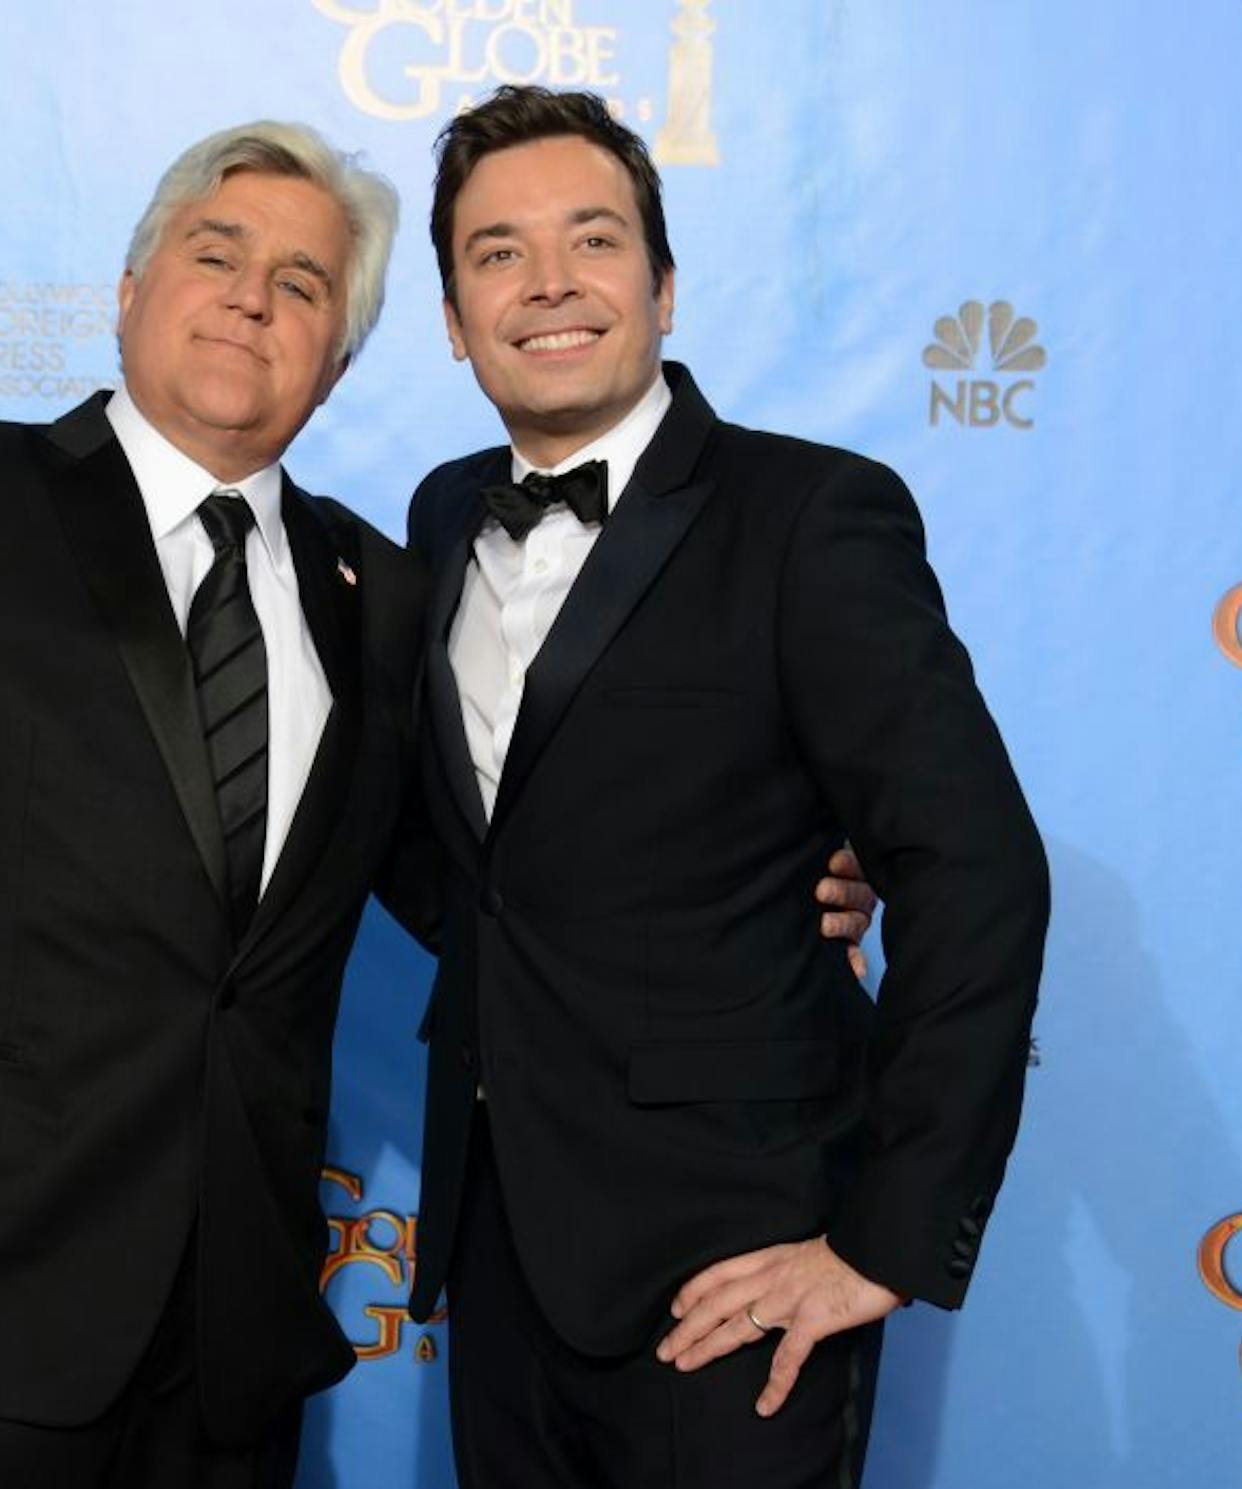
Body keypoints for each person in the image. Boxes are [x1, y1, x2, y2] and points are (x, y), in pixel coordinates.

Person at [0, 117, 875, 1488]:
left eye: (303, 283)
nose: (253, 297)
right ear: (130, 290)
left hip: (226, 1358)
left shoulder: (383, 593)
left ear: (339, 361)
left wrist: (762, 874)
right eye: (217, 254)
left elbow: (491, 894)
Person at [401, 87, 1051, 1488]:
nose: (550, 282)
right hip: (498, 1257)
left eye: (594, 239)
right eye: (499, 252)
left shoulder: (811, 514)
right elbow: (487, 863)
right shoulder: (443, 514)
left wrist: (884, 1238)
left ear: (665, 285)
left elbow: (977, 866)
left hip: (738, 1262)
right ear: (453, 317)